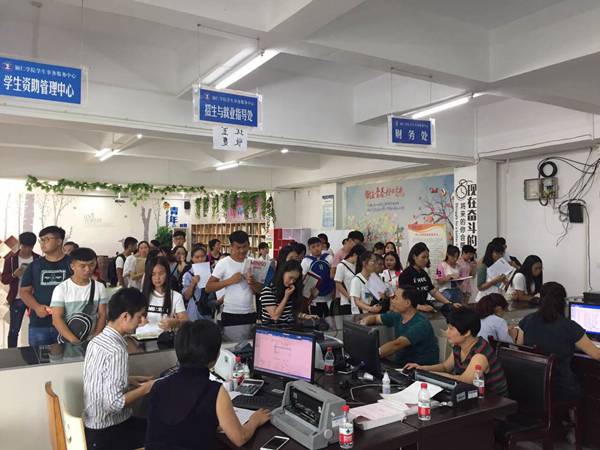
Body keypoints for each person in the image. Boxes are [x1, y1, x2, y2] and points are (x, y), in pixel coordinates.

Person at [145, 320, 270, 450]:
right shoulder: (214, 391)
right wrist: (255, 420)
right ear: (215, 355)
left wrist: (209, 422)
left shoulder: (158, 386)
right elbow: (240, 438)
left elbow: (176, 425)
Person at [83, 288, 155, 450]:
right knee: (163, 432)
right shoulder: (117, 350)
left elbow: (99, 378)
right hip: (108, 434)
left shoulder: (96, 341)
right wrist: (147, 388)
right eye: (139, 316)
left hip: (93, 428)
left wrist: (128, 379)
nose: (142, 321)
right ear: (125, 316)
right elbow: (114, 404)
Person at [517, 282, 600, 401]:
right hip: (560, 389)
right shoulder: (569, 327)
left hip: (531, 386)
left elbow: (521, 347)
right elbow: (597, 354)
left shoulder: (527, 320)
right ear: (562, 301)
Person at [406, 308, 508, 396]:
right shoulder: (459, 346)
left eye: (451, 329)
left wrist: (428, 374)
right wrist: (422, 368)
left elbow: (463, 380)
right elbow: (445, 367)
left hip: (493, 403)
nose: (447, 332)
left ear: (467, 332)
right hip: (472, 397)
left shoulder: (480, 354)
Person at [20, 226, 72, 346]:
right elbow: (24, 292)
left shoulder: (72, 264)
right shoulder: (34, 266)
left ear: (59, 241)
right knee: (39, 357)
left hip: (67, 323)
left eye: (47, 239)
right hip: (40, 324)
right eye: (41, 240)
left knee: (68, 357)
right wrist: (37, 307)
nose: (42, 243)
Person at [361, 286, 439, 366]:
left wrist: (368, 356)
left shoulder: (421, 324)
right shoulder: (398, 315)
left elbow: (396, 344)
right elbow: (375, 318)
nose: (392, 300)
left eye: (396, 298)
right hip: (402, 365)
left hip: (419, 369)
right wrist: (363, 324)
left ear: (407, 303)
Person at [50, 247, 108, 344]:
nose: (88, 269)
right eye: (82, 266)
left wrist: (95, 338)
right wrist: (74, 341)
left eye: (92, 265)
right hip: (68, 341)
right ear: (72, 266)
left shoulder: (99, 287)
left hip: (92, 340)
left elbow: (102, 315)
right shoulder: (61, 289)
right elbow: (57, 319)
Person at [206, 231, 262, 326]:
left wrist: (252, 282)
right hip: (230, 312)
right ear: (231, 246)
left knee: (250, 336)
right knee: (230, 336)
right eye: (238, 248)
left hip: (250, 312)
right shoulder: (223, 263)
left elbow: (259, 290)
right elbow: (208, 287)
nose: (242, 250)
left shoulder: (254, 263)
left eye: (244, 246)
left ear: (249, 244)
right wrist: (230, 281)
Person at [397, 242, 459, 313]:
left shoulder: (424, 273)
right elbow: (402, 297)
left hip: (424, 308)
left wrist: (449, 303)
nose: (426, 260)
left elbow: (433, 291)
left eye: (427, 257)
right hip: (411, 311)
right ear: (414, 256)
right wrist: (419, 307)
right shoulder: (405, 275)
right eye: (423, 257)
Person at [2, 232, 39, 347]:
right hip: (17, 298)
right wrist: (14, 274)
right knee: (14, 330)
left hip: (35, 298)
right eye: (24, 246)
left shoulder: (38, 259)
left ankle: (35, 352)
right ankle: (11, 353)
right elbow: (4, 279)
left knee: (37, 328)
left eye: (30, 247)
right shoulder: (11, 259)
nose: (26, 250)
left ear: (33, 246)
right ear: (20, 244)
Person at [141, 257, 188, 332]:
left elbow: (185, 321)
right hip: (142, 337)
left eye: (161, 273)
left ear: (167, 274)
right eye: (153, 274)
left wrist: (176, 323)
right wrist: (138, 321)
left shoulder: (176, 296)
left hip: (165, 337)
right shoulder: (140, 296)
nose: (157, 278)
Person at [260, 260, 305, 325]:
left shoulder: (290, 290)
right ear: (283, 273)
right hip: (272, 329)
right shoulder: (268, 291)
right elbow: (275, 316)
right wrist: (286, 297)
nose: (292, 281)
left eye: (295, 279)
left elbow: (291, 313)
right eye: (290, 277)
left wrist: (304, 316)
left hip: (290, 327)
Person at [183, 244, 219, 321]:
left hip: (208, 308)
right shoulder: (188, 274)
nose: (200, 259)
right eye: (197, 257)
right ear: (192, 258)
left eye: (202, 256)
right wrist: (193, 283)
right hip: (194, 309)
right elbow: (186, 297)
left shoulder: (212, 272)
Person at [302, 237, 335, 317]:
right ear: (309, 249)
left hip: (329, 294)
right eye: (313, 247)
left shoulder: (329, 257)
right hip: (314, 297)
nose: (316, 248)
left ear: (321, 246)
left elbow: (334, 276)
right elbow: (302, 278)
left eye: (318, 245)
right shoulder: (306, 261)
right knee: (316, 319)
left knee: (329, 319)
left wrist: (334, 291)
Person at [334, 245, 367, 316]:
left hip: (359, 302)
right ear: (354, 254)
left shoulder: (358, 265)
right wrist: (349, 297)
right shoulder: (341, 266)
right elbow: (338, 284)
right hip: (347, 302)